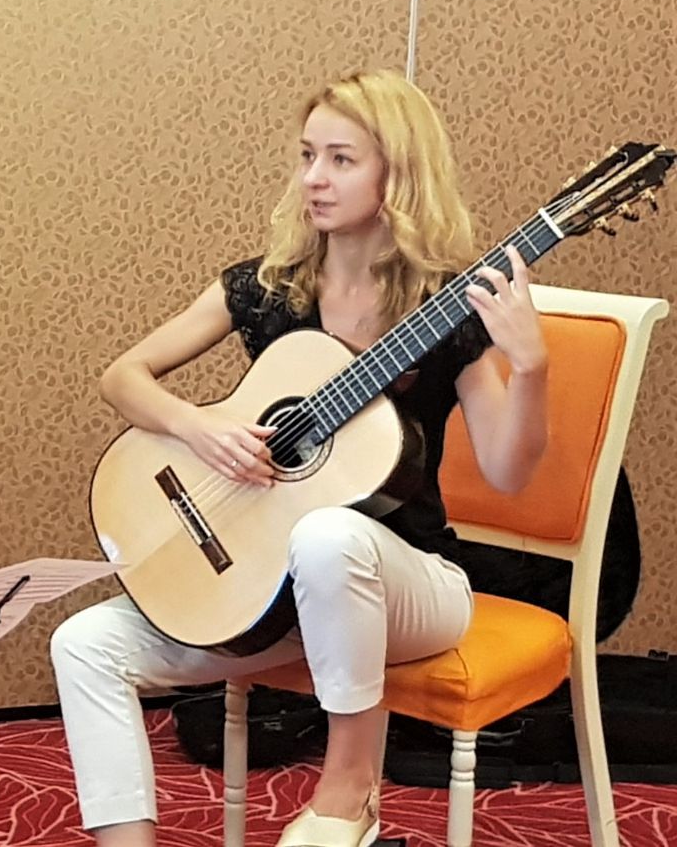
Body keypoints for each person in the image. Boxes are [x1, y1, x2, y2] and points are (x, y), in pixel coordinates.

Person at [50, 68, 550, 847]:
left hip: (412, 586)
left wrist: (532, 367)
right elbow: (123, 376)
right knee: (82, 644)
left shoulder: (448, 312)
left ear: (398, 174)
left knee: (328, 534)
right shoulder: (268, 289)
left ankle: (347, 794)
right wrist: (197, 428)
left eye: (341, 160)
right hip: (279, 596)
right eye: (308, 155)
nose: (314, 177)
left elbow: (509, 473)